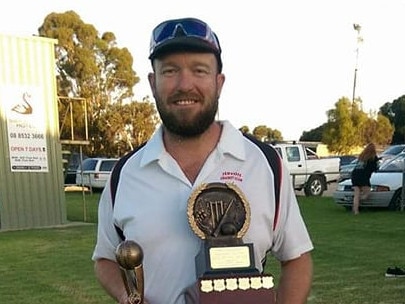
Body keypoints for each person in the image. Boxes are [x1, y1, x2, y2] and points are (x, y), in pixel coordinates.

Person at [92, 17, 314, 304]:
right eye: (170, 71)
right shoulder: (125, 174)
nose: (185, 85)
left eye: (199, 70)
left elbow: (297, 258)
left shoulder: (264, 164)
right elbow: (105, 260)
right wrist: (130, 297)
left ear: (218, 82)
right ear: (153, 82)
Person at [351, 143, 380, 215]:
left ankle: (355, 210)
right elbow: (374, 168)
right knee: (367, 194)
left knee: (356, 194)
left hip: (354, 175)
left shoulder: (361, 156)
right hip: (363, 177)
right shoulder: (373, 157)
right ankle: (356, 203)